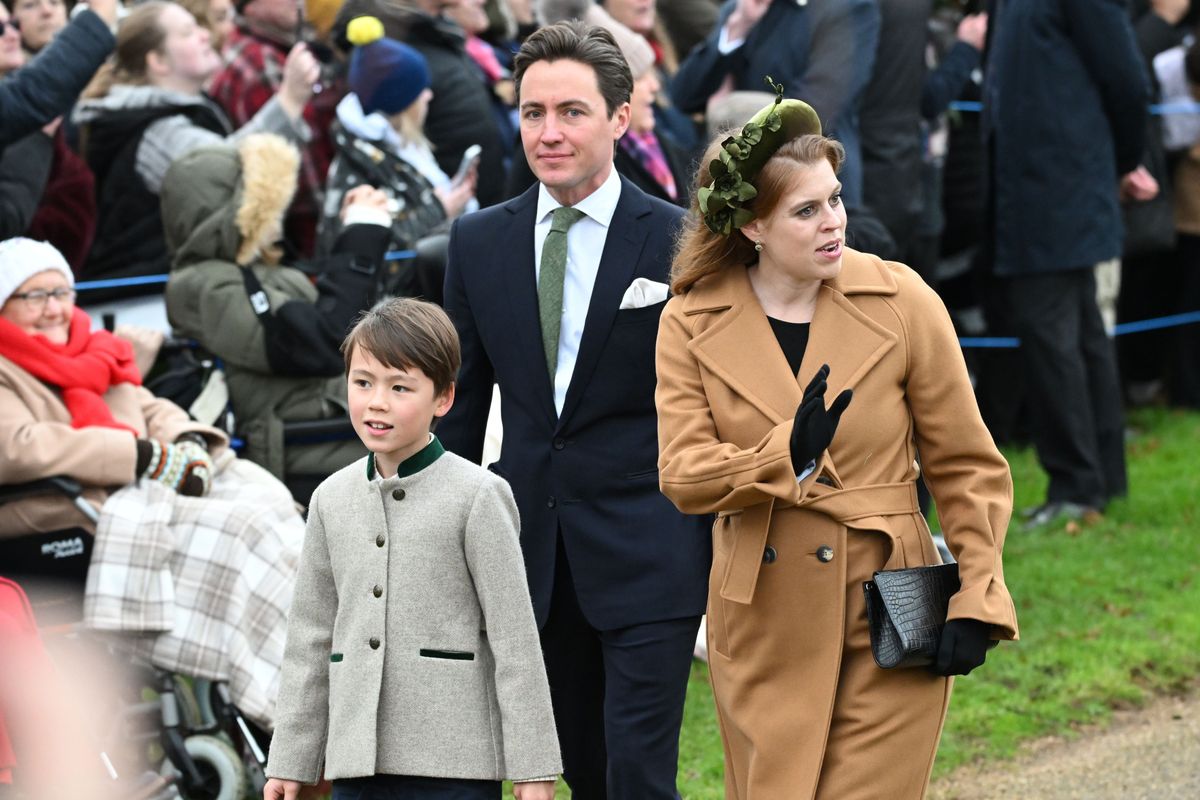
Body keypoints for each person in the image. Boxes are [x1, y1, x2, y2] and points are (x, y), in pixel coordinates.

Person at [654, 93, 1019, 798]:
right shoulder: (690, 321)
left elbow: (966, 465)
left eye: (836, 199)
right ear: (754, 225)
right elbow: (683, 474)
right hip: (764, 620)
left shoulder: (902, 300)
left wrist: (980, 594)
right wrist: (782, 455)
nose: (834, 223)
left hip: (889, 609)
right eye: (806, 210)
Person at [438, 21, 710, 798]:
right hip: (534, 552)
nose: (548, 133)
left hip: (651, 545)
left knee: (638, 776)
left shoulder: (681, 240)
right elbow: (461, 411)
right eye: (532, 113)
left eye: (571, 112)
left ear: (621, 118)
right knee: (580, 773)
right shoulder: (479, 242)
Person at [0, 236, 306, 727]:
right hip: (64, 517)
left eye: (62, 292)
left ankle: (309, 673)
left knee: (262, 494)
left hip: (130, 495)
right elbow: (17, 444)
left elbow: (146, 406)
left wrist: (184, 441)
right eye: (35, 296)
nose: (54, 308)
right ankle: (278, 697)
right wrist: (139, 456)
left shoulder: (94, 350)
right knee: (240, 527)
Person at [263, 298, 561, 800]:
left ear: (443, 398)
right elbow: (310, 639)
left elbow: (515, 640)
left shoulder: (479, 496)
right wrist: (291, 759)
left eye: (399, 387)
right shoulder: (329, 499)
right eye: (363, 383)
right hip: (355, 763)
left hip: (456, 765)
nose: (377, 402)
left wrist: (533, 771)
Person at [984, 0, 1153, 526]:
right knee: (1078, 335)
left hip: (1062, 185)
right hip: (1035, 187)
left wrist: (1122, 162)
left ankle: (1079, 485)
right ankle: (1097, 477)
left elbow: (1126, 78)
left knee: (1056, 336)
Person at [163, 134, 391, 495]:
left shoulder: (261, 271)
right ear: (229, 217)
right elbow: (325, 342)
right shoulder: (200, 286)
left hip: (338, 423)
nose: (278, 215)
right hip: (303, 441)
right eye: (263, 207)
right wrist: (362, 235)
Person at [72, 0, 318, 291]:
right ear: (158, 62)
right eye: (188, 32)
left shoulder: (174, 110)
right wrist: (289, 100)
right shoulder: (153, 130)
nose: (204, 34)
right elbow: (224, 172)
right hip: (145, 300)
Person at [669, 0, 880, 208]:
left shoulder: (848, 7)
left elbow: (815, 108)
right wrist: (738, 28)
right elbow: (683, 97)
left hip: (817, 182)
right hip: (745, 186)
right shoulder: (741, 9)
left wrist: (728, 108)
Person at [318, 16, 476, 269]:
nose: (429, 94)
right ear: (399, 104)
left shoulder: (399, 145)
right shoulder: (358, 172)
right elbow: (373, 255)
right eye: (419, 90)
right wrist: (439, 209)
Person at [208, 0, 336, 257]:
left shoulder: (278, 47)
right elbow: (300, 173)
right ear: (249, 7)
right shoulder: (259, 62)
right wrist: (328, 235)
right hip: (301, 237)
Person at [0, 0, 116, 153]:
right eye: (30, 5)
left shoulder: (110, 73)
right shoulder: (24, 97)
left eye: (54, 2)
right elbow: (29, 94)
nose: (47, 11)